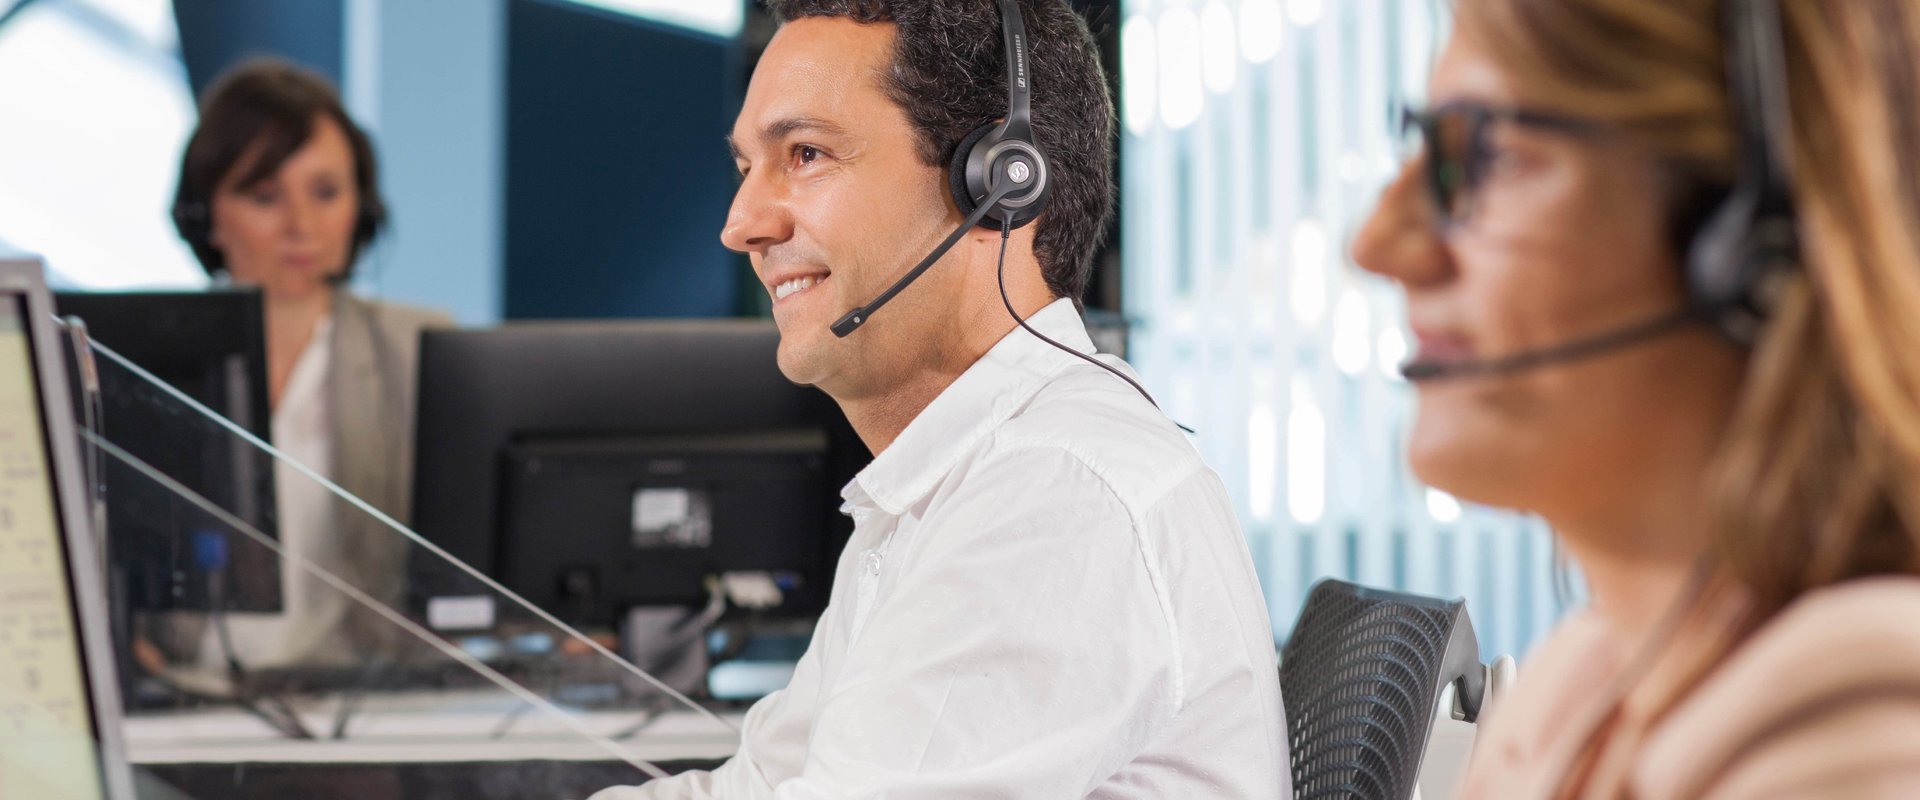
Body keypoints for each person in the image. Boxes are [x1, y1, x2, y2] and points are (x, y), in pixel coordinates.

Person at [593, 1, 1285, 796]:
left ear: (999, 182)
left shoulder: (1051, 495)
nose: (740, 224)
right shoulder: (949, 484)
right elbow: (754, 786)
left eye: (806, 154)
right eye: (748, 168)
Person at [1353, 0, 1920, 795]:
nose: (1376, 245)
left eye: (1490, 155)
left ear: (1751, 240)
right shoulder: (1578, 681)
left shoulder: (1857, 730)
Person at [165, 58, 452, 668]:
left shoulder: (416, 350)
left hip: (358, 696)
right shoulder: (144, 356)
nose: (302, 226)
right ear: (206, 214)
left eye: (326, 193)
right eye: (265, 196)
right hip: (178, 694)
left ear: (361, 208)